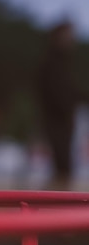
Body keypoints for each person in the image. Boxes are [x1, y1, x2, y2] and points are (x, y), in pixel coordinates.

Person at [36, 20, 87, 190]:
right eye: (68, 35)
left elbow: (71, 92)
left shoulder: (63, 62)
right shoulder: (52, 62)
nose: (71, 39)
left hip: (63, 120)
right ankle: (52, 208)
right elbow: (56, 94)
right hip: (57, 121)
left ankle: (52, 207)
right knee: (62, 167)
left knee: (64, 167)